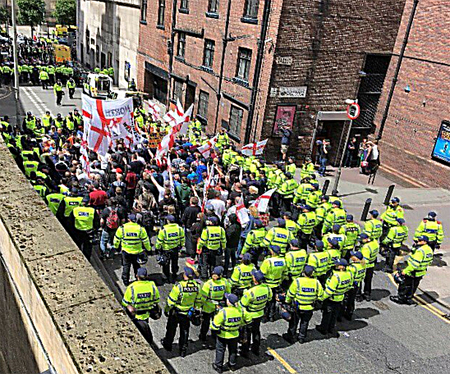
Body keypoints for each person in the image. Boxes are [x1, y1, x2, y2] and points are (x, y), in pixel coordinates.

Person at [161, 267, 202, 357]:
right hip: (187, 313)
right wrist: (193, 309)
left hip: (176, 312)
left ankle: (168, 345)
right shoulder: (197, 286)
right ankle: (183, 349)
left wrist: (167, 310)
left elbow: (171, 302)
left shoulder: (179, 286)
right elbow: (198, 301)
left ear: (185, 276)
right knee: (184, 331)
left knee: (171, 329)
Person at [211, 293, 251, 373]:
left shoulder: (223, 312)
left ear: (229, 302)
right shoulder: (241, 311)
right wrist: (241, 324)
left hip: (223, 335)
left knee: (220, 350)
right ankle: (232, 365)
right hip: (235, 334)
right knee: (233, 350)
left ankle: (218, 366)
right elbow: (249, 319)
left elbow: (214, 325)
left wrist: (216, 330)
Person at [283, 265, 323, 344]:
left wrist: (287, 302)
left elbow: (290, 294)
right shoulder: (316, 282)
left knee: (294, 322)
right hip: (309, 307)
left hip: (297, 307)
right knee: (304, 322)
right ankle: (301, 337)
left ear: (303, 272)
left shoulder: (297, 281)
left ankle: (291, 337)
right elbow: (321, 296)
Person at [390, 236, 434, 305]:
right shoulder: (429, 249)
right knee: (414, 286)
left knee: (404, 284)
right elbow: (430, 261)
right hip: (421, 272)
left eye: (420, 240)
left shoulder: (420, 251)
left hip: (413, 271)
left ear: (425, 242)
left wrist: (405, 271)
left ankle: (400, 298)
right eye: (418, 240)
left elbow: (414, 265)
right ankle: (409, 298)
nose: (418, 241)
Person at [121, 267, 160, 343]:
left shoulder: (131, 287)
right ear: (146, 276)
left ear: (136, 276)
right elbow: (156, 300)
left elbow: (124, 303)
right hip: (146, 314)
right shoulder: (152, 286)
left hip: (135, 316)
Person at [239, 270, 272, 357]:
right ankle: (255, 349)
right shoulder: (267, 289)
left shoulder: (250, 292)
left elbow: (242, 304)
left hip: (250, 314)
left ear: (255, 280)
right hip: (260, 313)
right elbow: (269, 299)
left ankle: (245, 351)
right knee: (256, 331)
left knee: (247, 333)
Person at [316, 259, 352, 336]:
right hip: (340, 297)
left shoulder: (336, 277)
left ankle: (324, 329)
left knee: (327, 314)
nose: (336, 265)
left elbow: (329, 291)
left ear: (342, 267)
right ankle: (331, 328)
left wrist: (321, 298)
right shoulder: (349, 274)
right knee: (334, 314)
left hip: (331, 298)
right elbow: (349, 286)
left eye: (338, 265)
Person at [113, 213, 151, 286]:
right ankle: (138, 279)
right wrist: (148, 249)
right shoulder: (140, 229)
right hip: (137, 251)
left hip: (126, 251)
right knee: (136, 266)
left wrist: (116, 247)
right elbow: (146, 241)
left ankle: (125, 281)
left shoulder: (122, 228)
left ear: (128, 219)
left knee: (126, 266)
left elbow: (116, 240)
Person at [199, 266, 231, 344]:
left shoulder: (208, 284)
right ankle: (212, 335)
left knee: (209, 322)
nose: (214, 275)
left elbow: (203, 297)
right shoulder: (225, 282)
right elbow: (228, 294)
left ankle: (204, 336)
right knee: (212, 322)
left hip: (209, 306)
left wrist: (199, 305)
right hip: (218, 306)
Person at [260, 245, 287, 321]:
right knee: (273, 301)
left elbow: (262, 273)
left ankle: (264, 317)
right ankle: (271, 316)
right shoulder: (283, 261)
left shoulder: (268, 261)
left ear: (272, 252)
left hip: (267, 284)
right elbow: (285, 273)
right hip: (277, 283)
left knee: (266, 301)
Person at [155, 214, 185, 283]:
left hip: (166, 249)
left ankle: (166, 276)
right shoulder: (179, 229)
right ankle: (174, 274)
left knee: (166, 263)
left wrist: (158, 248)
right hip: (175, 248)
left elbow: (159, 241)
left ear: (168, 221)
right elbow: (182, 238)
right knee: (175, 262)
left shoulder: (163, 230)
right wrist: (181, 246)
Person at [342, 251, 366, 320]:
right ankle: (349, 314)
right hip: (357, 285)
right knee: (351, 300)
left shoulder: (352, 268)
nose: (351, 256)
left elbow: (348, 277)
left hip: (350, 286)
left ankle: (343, 313)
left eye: (353, 256)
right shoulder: (363, 265)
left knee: (346, 300)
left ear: (356, 258)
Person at [357, 233, 379, 301]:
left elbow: (365, 260)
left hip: (365, 266)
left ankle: (358, 295)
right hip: (371, 265)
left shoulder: (366, 248)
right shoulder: (375, 243)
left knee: (359, 280)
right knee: (368, 281)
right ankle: (367, 294)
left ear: (366, 239)